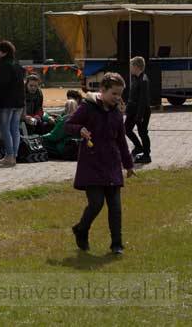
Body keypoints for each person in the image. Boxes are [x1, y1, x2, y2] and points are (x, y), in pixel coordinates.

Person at [65, 73, 136, 255]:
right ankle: (81, 229)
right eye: (114, 94)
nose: (117, 98)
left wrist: (128, 165)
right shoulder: (87, 107)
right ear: (102, 91)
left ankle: (117, 244)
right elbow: (68, 125)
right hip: (92, 164)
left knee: (115, 207)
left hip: (112, 164)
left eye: (120, 94)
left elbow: (121, 140)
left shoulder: (116, 113)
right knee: (96, 203)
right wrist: (79, 129)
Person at [0, 40, 25, 166]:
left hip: (6, 102)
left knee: (5, 128)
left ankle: (10, 155)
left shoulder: (4, 65)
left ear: (4, 52)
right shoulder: (17, 65)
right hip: (18, 102)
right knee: (15, 128)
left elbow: (1, 85)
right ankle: (14, 155)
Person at [126, 56, 151, 164]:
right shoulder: (136, 78)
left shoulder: (143, 80)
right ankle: (138, 147)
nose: (130, 68)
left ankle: (146, 155)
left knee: (143, 132)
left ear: (136, 66)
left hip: (141, 112)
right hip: (133, 111)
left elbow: (143, 100)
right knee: (126, 129)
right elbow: (133, 97)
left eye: (131, 66)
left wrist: (139, 116)